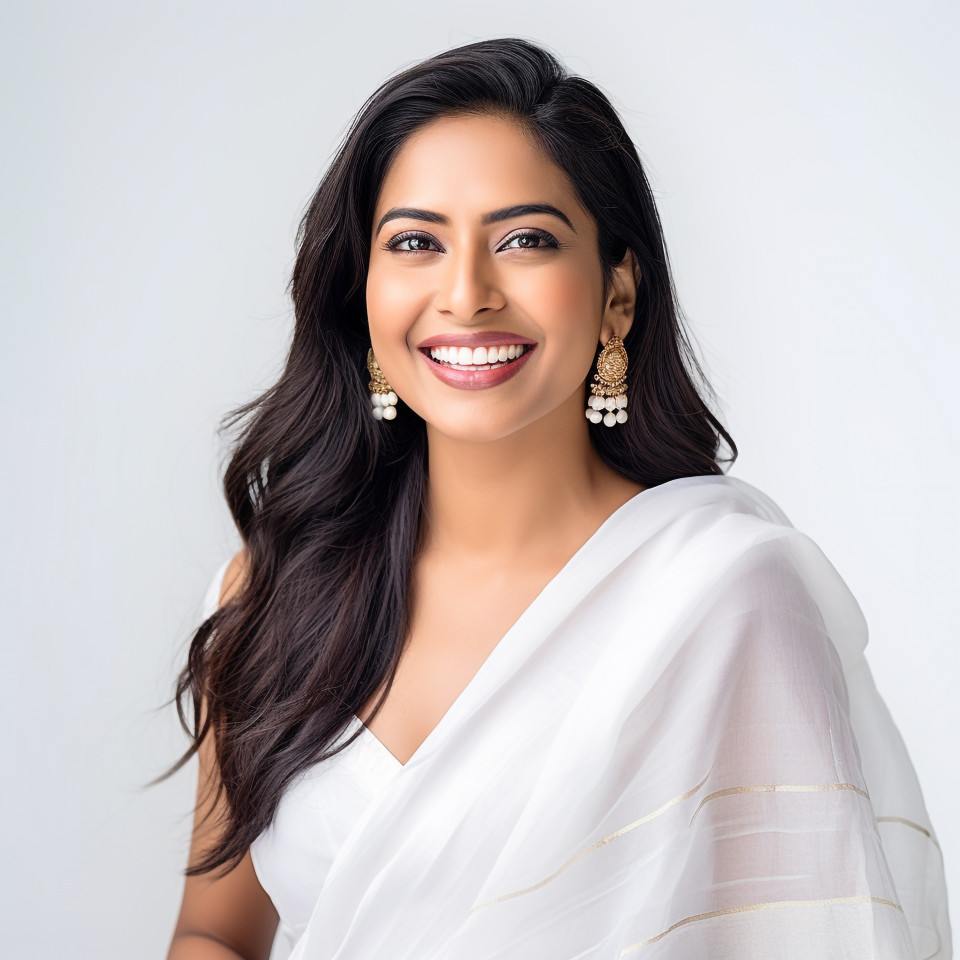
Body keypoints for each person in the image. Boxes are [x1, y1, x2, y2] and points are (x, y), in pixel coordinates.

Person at [164, 37, 950, 960]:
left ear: (617, 292)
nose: (466, 293)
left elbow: (819, 933)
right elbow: (216, 930)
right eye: (416, 242)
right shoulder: (270, 592)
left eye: (525, 240)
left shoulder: (722, 598)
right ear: (361, 293)